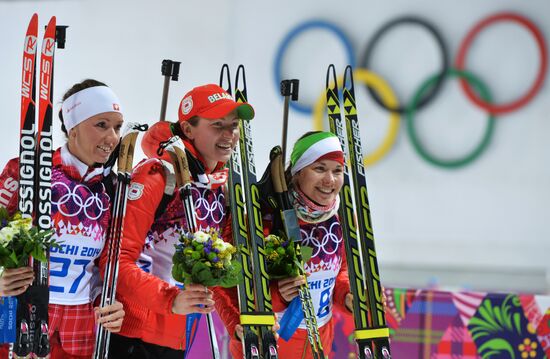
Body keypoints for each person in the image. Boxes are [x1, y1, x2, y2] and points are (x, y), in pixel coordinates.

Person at [107, 84, 255, 358]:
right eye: (217, 125)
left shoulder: (221, 190)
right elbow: (116, 262)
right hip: (131, 333)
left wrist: (238, 322)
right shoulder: (156, 177)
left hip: (178, 333)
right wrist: (170, 299)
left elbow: (212, 275)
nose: (229, 135)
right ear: (188, 129)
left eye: (233, 126)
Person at [0, 79, 126, 358]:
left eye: (117, 127)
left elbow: (112, 261)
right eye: (101, 125)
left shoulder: (113, 189)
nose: (113, 138)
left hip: (81, 319)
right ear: (72, 127)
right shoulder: (27, 170)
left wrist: (110, 302)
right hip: (24, 310)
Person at [214, 131, 354, 358]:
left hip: (318, 342)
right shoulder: (261, 217)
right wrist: (276, 296)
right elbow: (224, 282)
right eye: (319, 168)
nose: (330, 180)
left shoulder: (340, 218)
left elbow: (340, 272)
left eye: (337, 171)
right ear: (298, 172)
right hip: (270, 340)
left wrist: (347, 296)